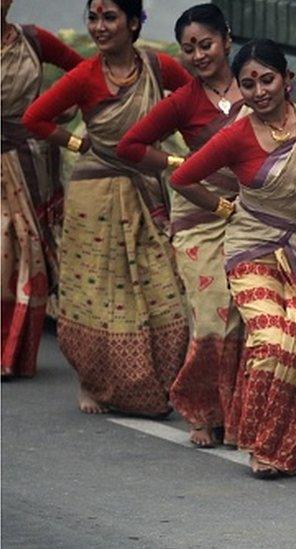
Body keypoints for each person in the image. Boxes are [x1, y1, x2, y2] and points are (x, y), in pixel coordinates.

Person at [170, 38, 296, 478]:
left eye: (267, 79)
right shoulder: (235, 135)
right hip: (251, 250)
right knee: (272, 343)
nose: (259, 91)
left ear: (287, 79)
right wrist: (221, 208)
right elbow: (182, 178)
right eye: (247, 84)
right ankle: (257, 443)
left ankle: (289, 449)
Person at [22, 0, 192, 414]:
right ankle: (92, 382)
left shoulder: (158, 68)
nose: (99, 27)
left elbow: (194, 103)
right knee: (96, 292)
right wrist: (82, 145)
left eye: (110, 17)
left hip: (144, 188)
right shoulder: (84, 76)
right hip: (95, 192)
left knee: (161, 285)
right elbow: (35, 119)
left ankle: (159, 384)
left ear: (133, 23)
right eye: (93, 18)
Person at [117, 3, 245, 448]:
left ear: (226, 39)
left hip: (254, 217)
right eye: (188, 49)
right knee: (212, 317)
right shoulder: (184, 101)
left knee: (250, 318)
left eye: (205, 44)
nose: (198, 55)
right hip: (202, 218)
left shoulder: (255, 84)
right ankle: (200, 408)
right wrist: (180, 163)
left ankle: (240, 415)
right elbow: (130, 146)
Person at [1, 0, 83, 377]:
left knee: (24, 252)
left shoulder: (33, 41)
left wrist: (56, 109)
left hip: (28, 159)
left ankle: (12, 354)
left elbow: (86, 73)